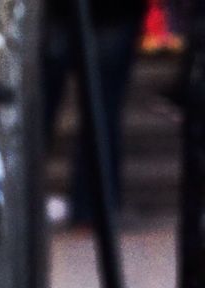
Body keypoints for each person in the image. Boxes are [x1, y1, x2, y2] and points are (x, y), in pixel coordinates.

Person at [42, 0, 150, 226]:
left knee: (46, 108)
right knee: (100, 111)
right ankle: (91, 207)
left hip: (88, 14)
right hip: (111, 14)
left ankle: (89, 206)